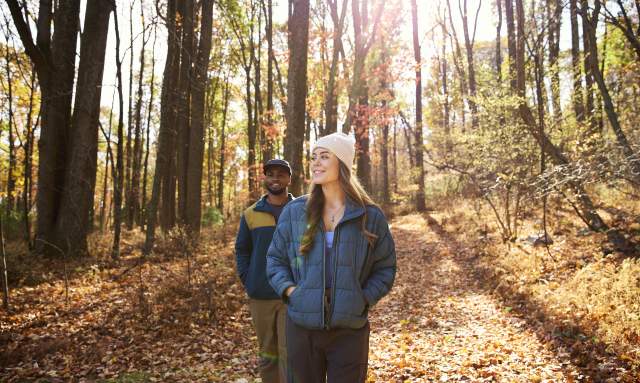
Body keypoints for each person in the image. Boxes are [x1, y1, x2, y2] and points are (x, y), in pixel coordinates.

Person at [266, 132, 397, 383]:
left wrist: (363, 297)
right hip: (301, 326)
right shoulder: (295, 212)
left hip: (350, 330)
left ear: (343, 164)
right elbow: (275, 260)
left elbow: (386, 267)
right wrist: (292, 291)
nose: (316, 163)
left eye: (324, 157)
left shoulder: (370, 216)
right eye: (314, 157)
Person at [235, 159, 294, 383]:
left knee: (290, 352)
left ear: (289, 179)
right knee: (268, 354)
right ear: (265, 179)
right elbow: (242, 250)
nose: (275, 179)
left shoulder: (301, 210)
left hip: (292, 293)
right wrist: (248, 278)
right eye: (270, 174)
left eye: (281, 174)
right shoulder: (251, 214)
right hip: (260, 294)